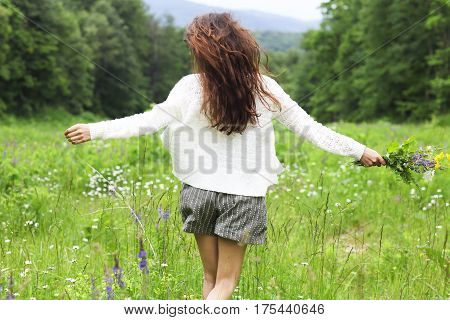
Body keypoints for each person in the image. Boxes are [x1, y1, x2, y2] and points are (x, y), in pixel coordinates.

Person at [64, 12, 386, 300]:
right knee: (226, 283)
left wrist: (95, 129)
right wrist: (359, 150)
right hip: (243, 196)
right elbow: (311, 129)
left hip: (198, 191)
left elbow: (150, 121)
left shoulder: (191, 86)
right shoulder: (264, 88)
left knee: (210, 278)